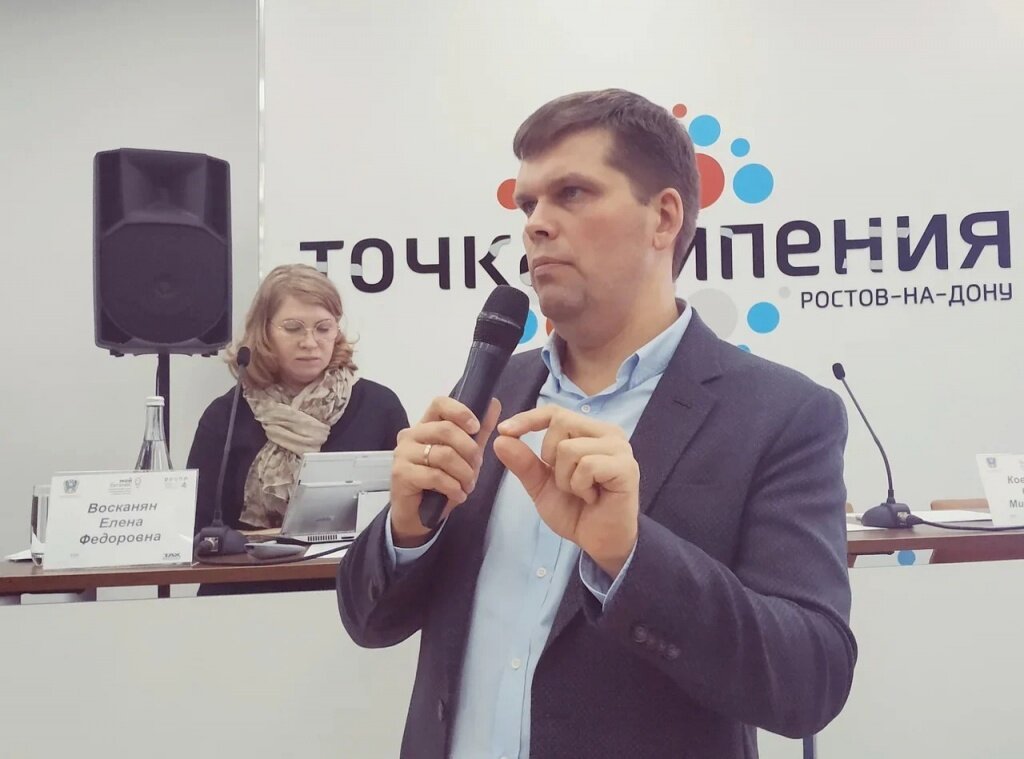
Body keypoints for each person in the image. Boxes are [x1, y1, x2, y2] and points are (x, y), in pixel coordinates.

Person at [337, 89, 856, 758]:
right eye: (527, 204)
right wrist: (405, 532)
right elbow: (369, 621)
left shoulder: (782, 415)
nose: (536, 224)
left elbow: (810, 679)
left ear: (663, 217)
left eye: (572, 193)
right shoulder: (489, 394)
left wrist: (631, 555)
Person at [188, 263, 408, 593]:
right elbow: (196, 530)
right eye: (293, 328)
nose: (310, 342)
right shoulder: (225, 416)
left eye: (323, 328)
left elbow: (405, 516)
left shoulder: (379, 407)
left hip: (349, 593)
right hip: (242, 595)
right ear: (263, 333)